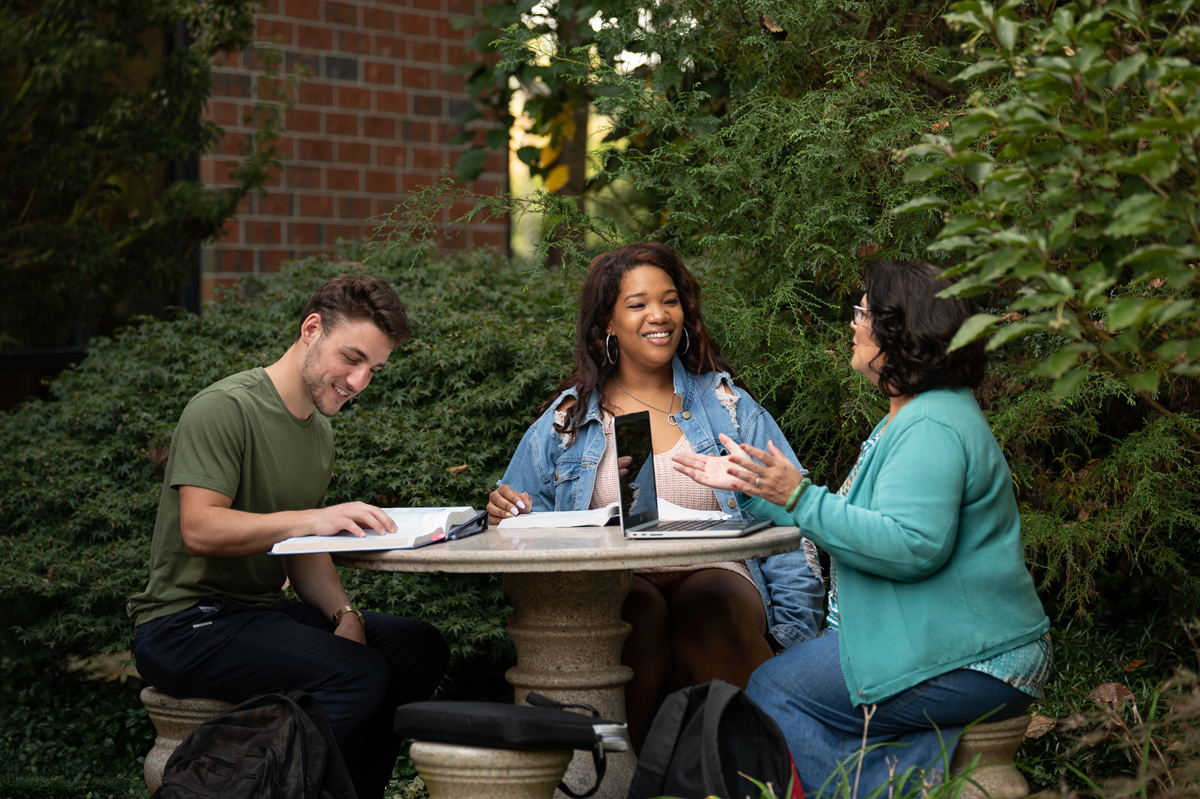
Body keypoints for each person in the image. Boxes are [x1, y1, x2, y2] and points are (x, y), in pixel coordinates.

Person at [673, 259, 1051, 794]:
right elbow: (852, 523)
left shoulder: (932, 424)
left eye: (864, 313)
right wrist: (756, 490)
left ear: (900, 332)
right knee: (781, 686)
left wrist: (798, 494)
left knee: (775, 689)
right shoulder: (916, 413)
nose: (853, 324)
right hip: (938, 641)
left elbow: (912, 546)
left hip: (976, 658)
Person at [128, 273, 451, 799]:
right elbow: (200, 529)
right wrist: (310, 518)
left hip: (255, 615)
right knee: (357, 675)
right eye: (352, 358)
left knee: (418, 648)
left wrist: (344, 616)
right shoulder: (224, 408)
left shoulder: (318, 432)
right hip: (184, 625)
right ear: (311, 328)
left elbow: (300, 549)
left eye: (374, 369)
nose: (359, 381)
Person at [486, 242, 825, 735]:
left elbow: (794, 519)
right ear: (607, 322)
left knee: (717, 615)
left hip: (717, 570)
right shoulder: (569, 419)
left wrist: (794, 636)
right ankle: (624, 783)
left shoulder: (726, 406)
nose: (658, 315)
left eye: (669, 300)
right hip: (615, 578)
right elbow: (521, 527)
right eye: (637, 304)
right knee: (633, 620)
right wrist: (507, 514)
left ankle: (751, 776)